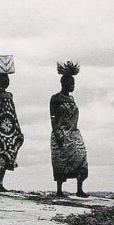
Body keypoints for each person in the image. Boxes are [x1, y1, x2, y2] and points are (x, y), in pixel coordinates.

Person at [50, 61, 88, 197]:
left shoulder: (72, 99)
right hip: (60, 134)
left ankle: (79, 189)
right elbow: (53, 118)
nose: (73, 86)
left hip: (74, 134)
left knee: (81, 157)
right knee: (60, 160)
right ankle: (59, 189)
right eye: (72, 84)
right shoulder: (55, 98)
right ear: (65, 84)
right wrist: (57, 133)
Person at [0, 73, 24, 191]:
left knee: (17, 143)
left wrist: (17, 128)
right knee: (2, 152)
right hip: (0, 128)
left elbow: (13, 112)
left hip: (11, 128)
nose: (7, 82)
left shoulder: (10, 95)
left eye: (7, 79)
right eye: (4, 79)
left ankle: (9, 165)